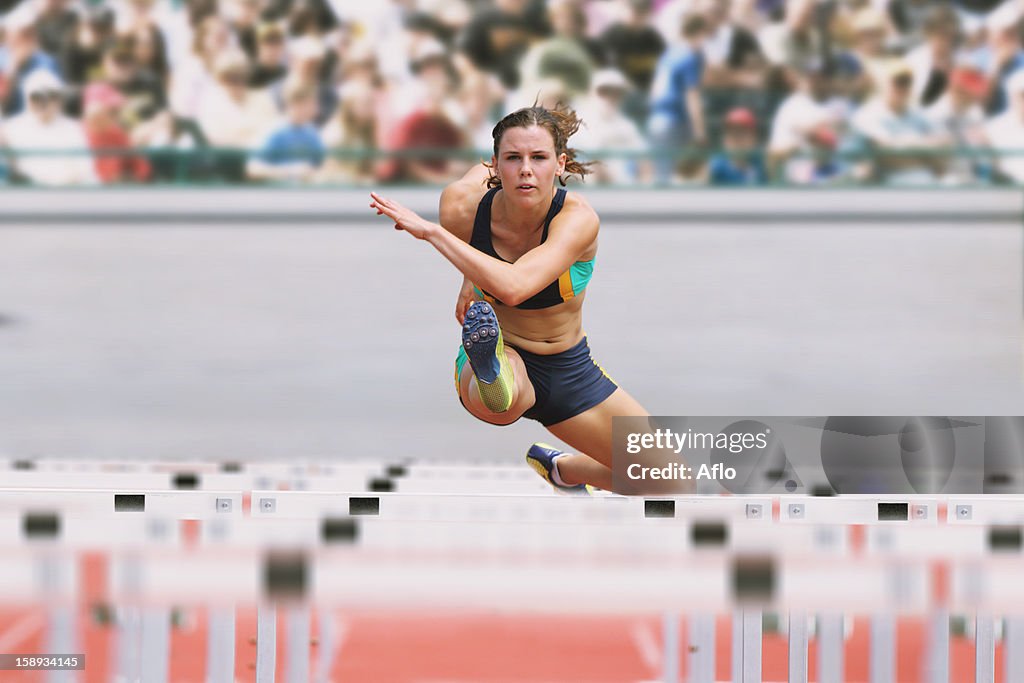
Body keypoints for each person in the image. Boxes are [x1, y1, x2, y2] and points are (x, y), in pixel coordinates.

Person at [368, 104, 672, 495]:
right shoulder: (461, 206)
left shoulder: (577, 219)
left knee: (669, 480)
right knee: (507, 401)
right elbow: (482, 229)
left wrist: (432, 234)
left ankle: (564, 468)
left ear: (560, 164)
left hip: (569, 370)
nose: (525, 169)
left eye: (539, 158)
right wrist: (468, 273)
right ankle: (492, 371)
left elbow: (514, 286)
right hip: (507, 352)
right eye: (512, 159)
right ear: (494, 165)